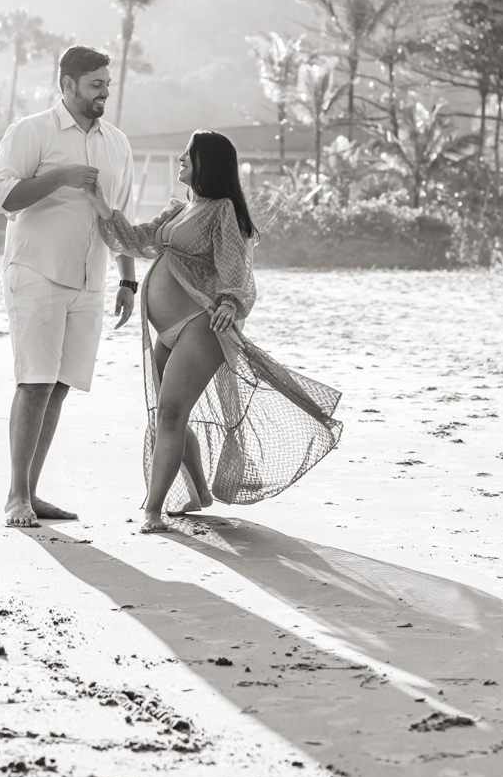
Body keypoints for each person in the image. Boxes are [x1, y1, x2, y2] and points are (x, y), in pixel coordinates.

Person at [84, 129, 342, 533]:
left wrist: (230, 303)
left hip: (199, 326)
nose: (180, 160)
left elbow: (236, 265)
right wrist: (101, 204)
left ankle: (153, 509)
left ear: (209, 163)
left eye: (189, 154)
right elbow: (135, 241)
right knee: (165, 415)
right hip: (169, 331)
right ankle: (200, 491)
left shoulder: (221, 210)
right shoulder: (179, 210)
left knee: (170, 413)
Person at [0, 45, 137, 528]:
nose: (104, 93)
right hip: (36, 272)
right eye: (96, 85)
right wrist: (60, 177)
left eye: (107, 85)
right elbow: (0, 197)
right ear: (68, 85)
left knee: (59, 388)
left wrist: (128, 278)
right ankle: (16, 497)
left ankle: (31, 491)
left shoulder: (117, 142)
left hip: (90, 279)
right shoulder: (31, 131)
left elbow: (120, 215)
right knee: (34, 381)